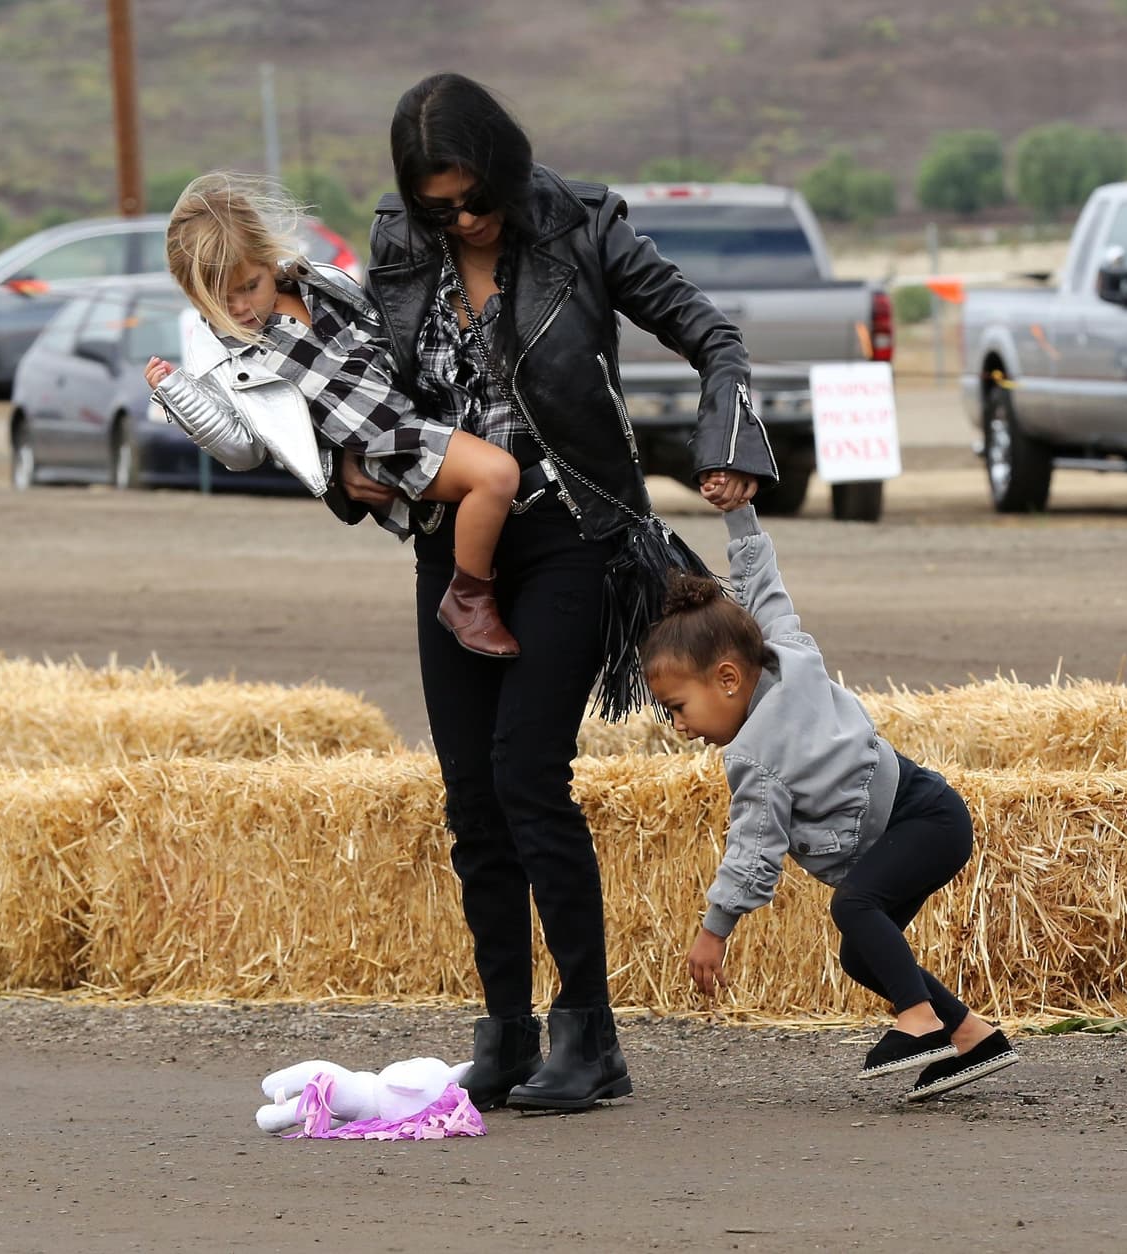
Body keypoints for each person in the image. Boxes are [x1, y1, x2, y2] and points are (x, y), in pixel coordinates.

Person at [341, 73, 777, 1113]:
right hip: (452, 543)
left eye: (473, 200)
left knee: (527, 774)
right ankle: (503, 1036)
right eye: (439, 208)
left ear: (504, 167)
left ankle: (590, 1036)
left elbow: (712, 336)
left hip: (573, 533)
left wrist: (724, 441)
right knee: (470, 796)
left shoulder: (581, 224)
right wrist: (342, 470)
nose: (461, 222)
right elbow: (353, 389)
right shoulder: (396, 246)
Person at [640, 478, 1020, 1102]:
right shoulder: (786, 652)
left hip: (920, 820)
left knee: (854, 907)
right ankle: (972, 1037)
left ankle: (919, 1022)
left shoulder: (755, 756)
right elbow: (764, 586)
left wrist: (715, 929)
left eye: (678, 707)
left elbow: (752, 853)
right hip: (933, 813)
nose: (678, 726)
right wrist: (740, 515)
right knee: (861, 954)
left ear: (728, 678)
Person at [143, 172, 523, 658]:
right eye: (219, 299)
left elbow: (389, 333)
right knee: (496, 476)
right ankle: (469, 598)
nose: (238, 308)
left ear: (268, 258)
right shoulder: (220, 358)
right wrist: (178, 395)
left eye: (250, 286)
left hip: (418, 413)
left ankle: (487, 577)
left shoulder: (322, 284)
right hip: (382, 447)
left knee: (502, 472)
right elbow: (244, 450)